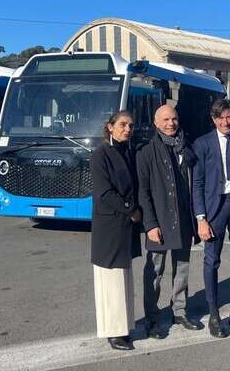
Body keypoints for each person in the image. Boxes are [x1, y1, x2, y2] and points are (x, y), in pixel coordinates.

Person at [137, 105, 203, 338]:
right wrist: (150, 224)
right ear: (156, 123)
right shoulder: (145, 153)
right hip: (160, 221)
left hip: (184, 218)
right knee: (154, 271)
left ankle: (180, 310)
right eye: (165, 120)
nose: (171, 123)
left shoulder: (188, 146)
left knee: (182, 268)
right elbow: (143, 193)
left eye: (174, 118)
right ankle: (152, 317)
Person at [192, 98, 230, 338]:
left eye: (229, 117)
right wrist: (201, 218)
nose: (226, 122)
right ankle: (214, 313)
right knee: (212, 261)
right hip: (214, 207)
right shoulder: (203, 144)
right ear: (213, 118)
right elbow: (197, 183)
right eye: (221, 118)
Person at [90, 111, 142, 351]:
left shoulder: (128, 151)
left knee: (124, 279)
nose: (127, 129)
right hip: (110, 225)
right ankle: (113, 332)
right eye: (122, 125)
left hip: (125, 225)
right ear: (110, 127)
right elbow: (104, 193)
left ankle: (124, 326)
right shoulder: (100, 154)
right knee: (110, 281)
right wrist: (131, 210)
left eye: (130, 125)